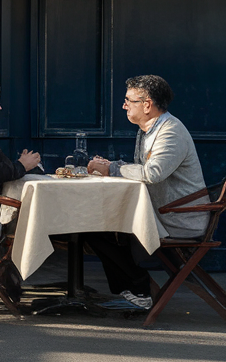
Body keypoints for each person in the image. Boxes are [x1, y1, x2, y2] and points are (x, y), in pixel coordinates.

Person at [85, 75, 209, 311]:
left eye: (128, 100)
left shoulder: (170, 131)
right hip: (162, 211)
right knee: (97, 224)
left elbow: (152, 173)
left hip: (179, 217)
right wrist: (112, 164)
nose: (124, 105)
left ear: (147, 104)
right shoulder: (150, 129)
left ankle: (140, 289)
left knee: (97, 227)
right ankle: (138, 288)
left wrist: (111, 168)